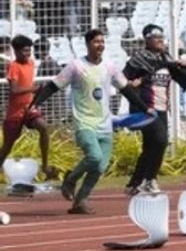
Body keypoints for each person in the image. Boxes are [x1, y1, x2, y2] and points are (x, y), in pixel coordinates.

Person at [27, 30, 150, 215]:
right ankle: (70, 180)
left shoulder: (110, 67)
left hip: (105, 124)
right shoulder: (76, 66)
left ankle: (80, 200)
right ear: (87, 44)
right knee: (94, 157)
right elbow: (53, 86)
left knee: (99, 167)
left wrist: (144, 108)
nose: (100, 45)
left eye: (102, 41)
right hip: (84, 123)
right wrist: (34, 104)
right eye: (96, 41)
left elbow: (126, 89)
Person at [122, 25, 186, 195]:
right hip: (145, 108)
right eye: (156, 37)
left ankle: (135, 183)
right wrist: (132, 84)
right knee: (161, 140)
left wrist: (182, 65)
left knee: (151, 147)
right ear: (147, 39)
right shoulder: (138, 59)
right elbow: (122, 80)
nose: (161, 40)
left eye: (162, 36)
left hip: (162, 108)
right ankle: (151, 179)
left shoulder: (166, 58)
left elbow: (183, 75)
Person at [0, 36, 56, 181]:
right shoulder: (14, 67)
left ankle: (45, 167)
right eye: (25, 51)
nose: (28, 54)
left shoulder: (31, 63)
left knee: (43, 127)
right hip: (15, 113)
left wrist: (34, 96)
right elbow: (14, 89)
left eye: (29, 51)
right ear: (16, 51)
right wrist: (33, 88)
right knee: (7, 146)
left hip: (29, 109)